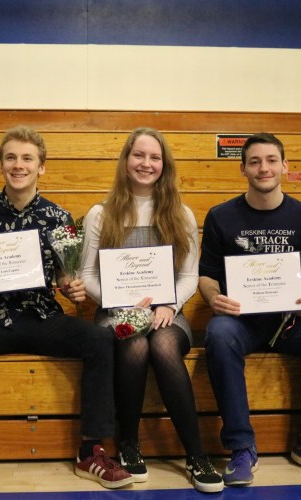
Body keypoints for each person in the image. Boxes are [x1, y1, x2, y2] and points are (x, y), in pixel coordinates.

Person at [0, 125, 133, 493]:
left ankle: (92, 450)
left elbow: (64, 273)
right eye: (11, 157)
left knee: (99, 340)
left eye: (27, 158)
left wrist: (71, 287)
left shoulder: (59, 218)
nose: (18, 165)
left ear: (42, 167)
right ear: (1, 164)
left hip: (43, 317)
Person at [198, 133, 301, 486]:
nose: (263, 168)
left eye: (271, 160)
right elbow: (206, 275)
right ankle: (241, 448)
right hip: (241, 321)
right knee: (218, 335)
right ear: (243, 169)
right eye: (254, 161)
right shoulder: (221, 216)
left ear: (284, 165)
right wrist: (213, 298)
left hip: (291, 320)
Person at [80, 128, 223, 493]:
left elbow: (190, 275)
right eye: (139, 155)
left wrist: (170, 304)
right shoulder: (100, 214)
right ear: (126, 161)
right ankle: (128, 444)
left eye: (154, 157)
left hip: (166, 311)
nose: (146, 163)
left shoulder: (181, 214)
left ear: (164, 165)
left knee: (161, 344)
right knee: (135, 343)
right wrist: (120, 303)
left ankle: (195, 454)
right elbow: (87, 276)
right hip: (115, 310)